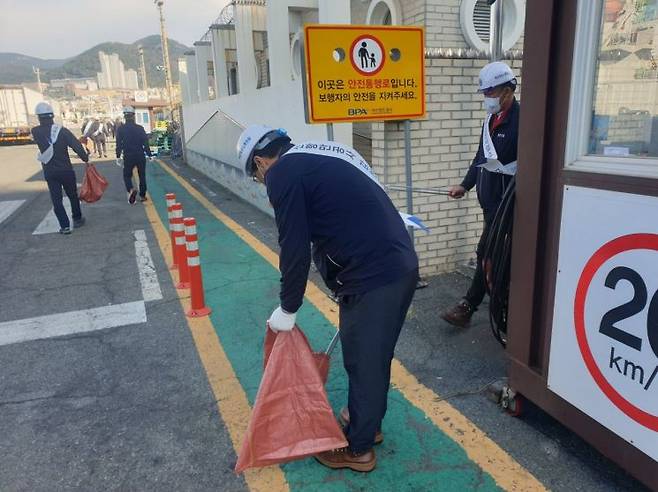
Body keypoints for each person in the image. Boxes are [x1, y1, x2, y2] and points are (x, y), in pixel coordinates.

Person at [236, 125, 419, 472]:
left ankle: (359, 449)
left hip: (371, 274)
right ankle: (370, 423)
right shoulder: (320, 152)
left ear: (261, 162)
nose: (263, 183)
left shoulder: (282, 173)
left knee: (363, 361)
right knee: (375, 355)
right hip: (398, 265)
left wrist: (288, 306)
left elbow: (293, 246)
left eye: (257, 176)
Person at [441, 61, 520, 327]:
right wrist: (465, 185)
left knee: (490, 254)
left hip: (508, 206)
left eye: (491, 92)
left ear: (508, 90)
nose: (487, 98)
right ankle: (495, 306)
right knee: (491, 255)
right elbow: (480, 157)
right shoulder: (491, 120)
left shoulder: (522, 122)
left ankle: (473, 306)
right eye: (485, 93)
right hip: (490, 205)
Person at [31, 102, 89, 235]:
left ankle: (64, 226)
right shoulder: (62, 131)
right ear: (52, 116)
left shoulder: (35, 131)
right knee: (72, 195)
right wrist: (85, 158)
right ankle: (77, 219)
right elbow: (76, 146)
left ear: (39, 117)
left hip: (50, 171)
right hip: (66, 170)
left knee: (56, 199)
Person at [115, 106, 152, 204]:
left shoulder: (121, 129)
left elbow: (118, 144)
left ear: (125, 116)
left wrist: (118, 156)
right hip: (140, 155)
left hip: (128, 156)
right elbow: (145, 142)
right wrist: (149, 154)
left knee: (127, 175)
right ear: (133, 116)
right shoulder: (140, 128)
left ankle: (131, 190)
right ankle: (143, 196)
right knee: (142, 175)